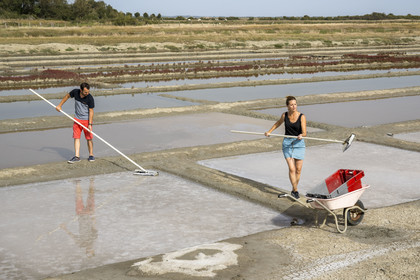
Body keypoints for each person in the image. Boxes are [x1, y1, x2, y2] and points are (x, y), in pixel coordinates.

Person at [265, 96, 307, 199]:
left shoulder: (302, 116)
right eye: (291, 105)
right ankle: (296, 191)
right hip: (287, 143)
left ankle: (293, 189)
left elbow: (305, 132)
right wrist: (269, 132)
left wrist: (301, 135)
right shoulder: (284, 115)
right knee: (292, 169)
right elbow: (277, 123)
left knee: (298, 170)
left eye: (295, 104)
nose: (294, 106)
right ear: (287, 106)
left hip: (299, 144)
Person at [56, 82, 95, 163]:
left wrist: (90, 124)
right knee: (76, 137)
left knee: (89, 138)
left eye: (88, 92)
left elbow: (91, 111)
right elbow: (67, 96)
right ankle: (77, 156)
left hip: (86, 120)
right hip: (77, 119)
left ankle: (91, 155)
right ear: (81, 90)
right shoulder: (75, 92)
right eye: (85, 92)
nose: (87, 93)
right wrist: (59, 105)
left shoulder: (90, 98)